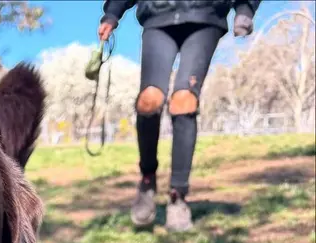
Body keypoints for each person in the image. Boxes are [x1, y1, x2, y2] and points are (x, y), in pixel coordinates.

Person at [98, 1, 261, 231]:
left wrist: (245, 8)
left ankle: (178, 195)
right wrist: (112, 14)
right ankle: (147, 180)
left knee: (184, 100)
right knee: (149, 99)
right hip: (158, 17)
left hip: (205, 17)